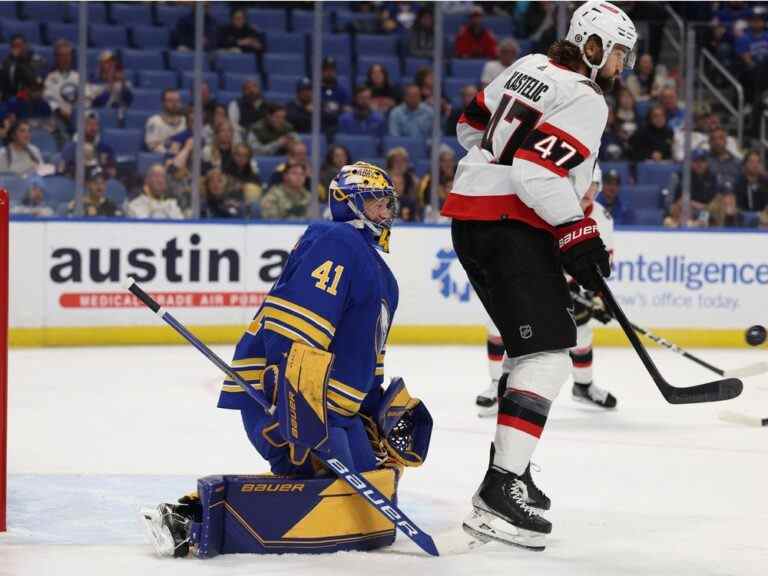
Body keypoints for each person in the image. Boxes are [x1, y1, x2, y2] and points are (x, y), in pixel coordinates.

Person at [142, 162, 431, 559]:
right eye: (377, 203)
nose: (386, 213)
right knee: (323, 488)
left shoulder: (385, 277)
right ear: (348, 203)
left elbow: (368, 359)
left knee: (369, 493)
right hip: (288, 399)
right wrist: (292, 404)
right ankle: (188, 516)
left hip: (337, 413)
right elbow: (293, 329)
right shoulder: (334, 241)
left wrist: (375, 411)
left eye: (388, 204)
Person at [440, 1, 636, 549]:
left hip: (471, 218)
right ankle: (499, 491)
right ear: (592, 47)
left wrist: (495, 170)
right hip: (509, 226)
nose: (623, 65)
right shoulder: (585, 96)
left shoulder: (526, 65)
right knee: (551, 351)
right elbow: (535, 171)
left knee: (530, 351)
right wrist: (576, 229)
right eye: (618, 53)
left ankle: (511, 470)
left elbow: (467, 126)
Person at [475, 165, 619, 417]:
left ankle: (584, 386)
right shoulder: (550, 204)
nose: (587, 191)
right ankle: (496, 385)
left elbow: (601, 261)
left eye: (593, 186)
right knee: (500, 325)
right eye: (584, 185)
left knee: (583, 332)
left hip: (568, 286)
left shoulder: (602, 218)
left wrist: (597, 297)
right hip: (531, 278)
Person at [145, 89, 187, 154]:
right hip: (161, 158)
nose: (174, 103)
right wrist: (169, 151)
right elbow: (152, 146)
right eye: (170, 101)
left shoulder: (186, 120)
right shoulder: (154, 121)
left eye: (177, 100)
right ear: (163, 102)